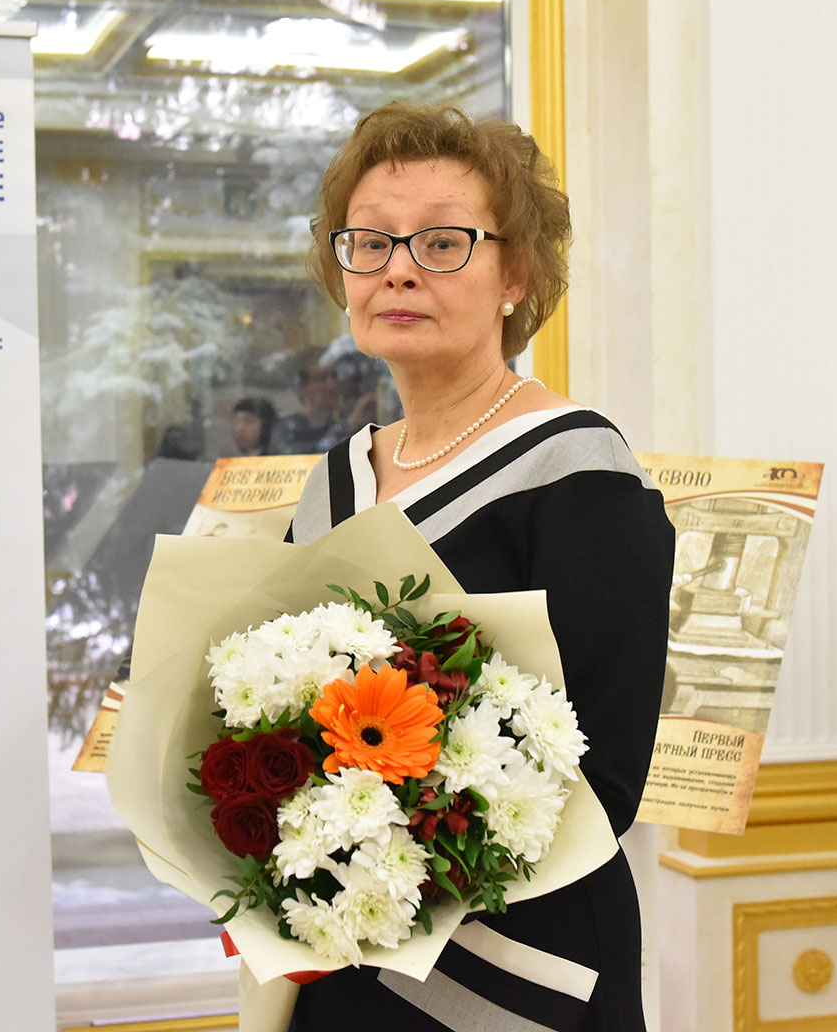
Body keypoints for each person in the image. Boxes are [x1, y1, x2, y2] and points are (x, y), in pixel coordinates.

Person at [284, 102, 675, 1032]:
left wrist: (387, 847)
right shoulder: (335, 479)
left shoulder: (580, 474)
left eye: (442, 242)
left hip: (516, 974)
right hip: (343, 951)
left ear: (518, 275)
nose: (398, 269)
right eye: (370, 242)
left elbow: (602, 777)